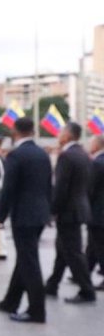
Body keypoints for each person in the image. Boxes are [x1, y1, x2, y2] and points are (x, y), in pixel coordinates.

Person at [0, 117, 52, 324]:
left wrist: (0, 216)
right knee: (25, 259)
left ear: (15, 131)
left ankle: (37, 310)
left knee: (29, 263)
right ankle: (11, 300)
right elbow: (48, 186)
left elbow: (8, 189)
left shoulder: (16, 155)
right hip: (39, 214)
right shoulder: (42, 154)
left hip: (24, 215)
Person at [45, 120, 95, 304]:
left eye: (60, 132)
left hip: (68, 211)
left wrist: (53, 210)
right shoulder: (83, 154)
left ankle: (86, 290)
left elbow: (61, 188)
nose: (58, 135)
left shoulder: (67, 156)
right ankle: (52, 284)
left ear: (68, 135)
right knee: (62, 249)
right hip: (78, 208)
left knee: (73, 252)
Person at [87, 132, 104, 286]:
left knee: (99, 246)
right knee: (93, 245)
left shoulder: (97, 163)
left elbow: (90, 188)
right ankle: (84, 272)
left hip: (98, 211)